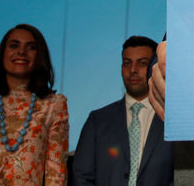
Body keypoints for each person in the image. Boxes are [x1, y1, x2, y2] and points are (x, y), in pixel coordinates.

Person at [0, 24, 69, 186]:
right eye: (14, 45)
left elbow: (56, 172)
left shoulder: (53, 105)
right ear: (2, 54)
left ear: (40, 56)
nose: (21, 52)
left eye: (31, 47)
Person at [73, 36, 172, 186]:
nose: (133, 70)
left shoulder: (171, 119)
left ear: (155, 66)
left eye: (142, 63)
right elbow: (81, 177)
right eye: (127, 63)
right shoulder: (98, 120)